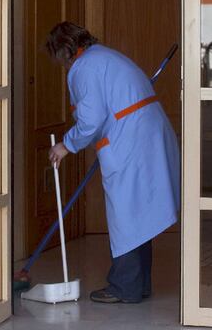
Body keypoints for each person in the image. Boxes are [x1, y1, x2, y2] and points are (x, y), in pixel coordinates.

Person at [47, 21, 180, 304]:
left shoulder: (84, 68)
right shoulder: (103, 57)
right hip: (141, 136)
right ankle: (138, 284)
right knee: (139, 213)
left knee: (127, 215)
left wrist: (65, 146)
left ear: (63, 51)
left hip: (131, 141)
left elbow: (91, 119)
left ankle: (124, 287)